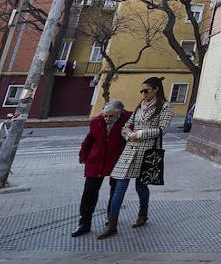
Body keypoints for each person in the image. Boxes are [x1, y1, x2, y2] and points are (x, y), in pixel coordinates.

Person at [98, 77, 172, 239]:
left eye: (147, 91)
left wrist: (141, 134)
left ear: (156, 89)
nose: (143, 94)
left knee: (141, 186)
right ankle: (112, 225)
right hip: (130, 149)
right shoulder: (140, 106)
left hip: (148, 151)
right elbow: (126, 125)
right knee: (120, 185)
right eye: (142, 91)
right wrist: (129, 134)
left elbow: (163, 129)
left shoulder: (165, 107)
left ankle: (143, 214)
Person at [73, 100, 130, 237]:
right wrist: (83, 155)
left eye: (111, 116)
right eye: (105, 115)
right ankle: (84, 222)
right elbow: (89, 139)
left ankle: (111, 219)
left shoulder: (128, 121)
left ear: (119, 114)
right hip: (96, 160)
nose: (107, 119)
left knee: (115, 190)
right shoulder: (96, 122)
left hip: (117, 160)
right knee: (90, 191)